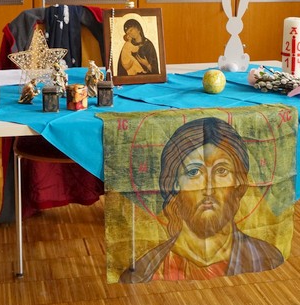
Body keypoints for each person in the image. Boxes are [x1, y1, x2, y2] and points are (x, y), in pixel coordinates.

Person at [120, 117, 284, 282]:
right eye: (193, 172)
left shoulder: (266, 257)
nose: (208, 189)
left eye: (221, 171)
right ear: (174, 183)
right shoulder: (145, 271)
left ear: (238, 181)